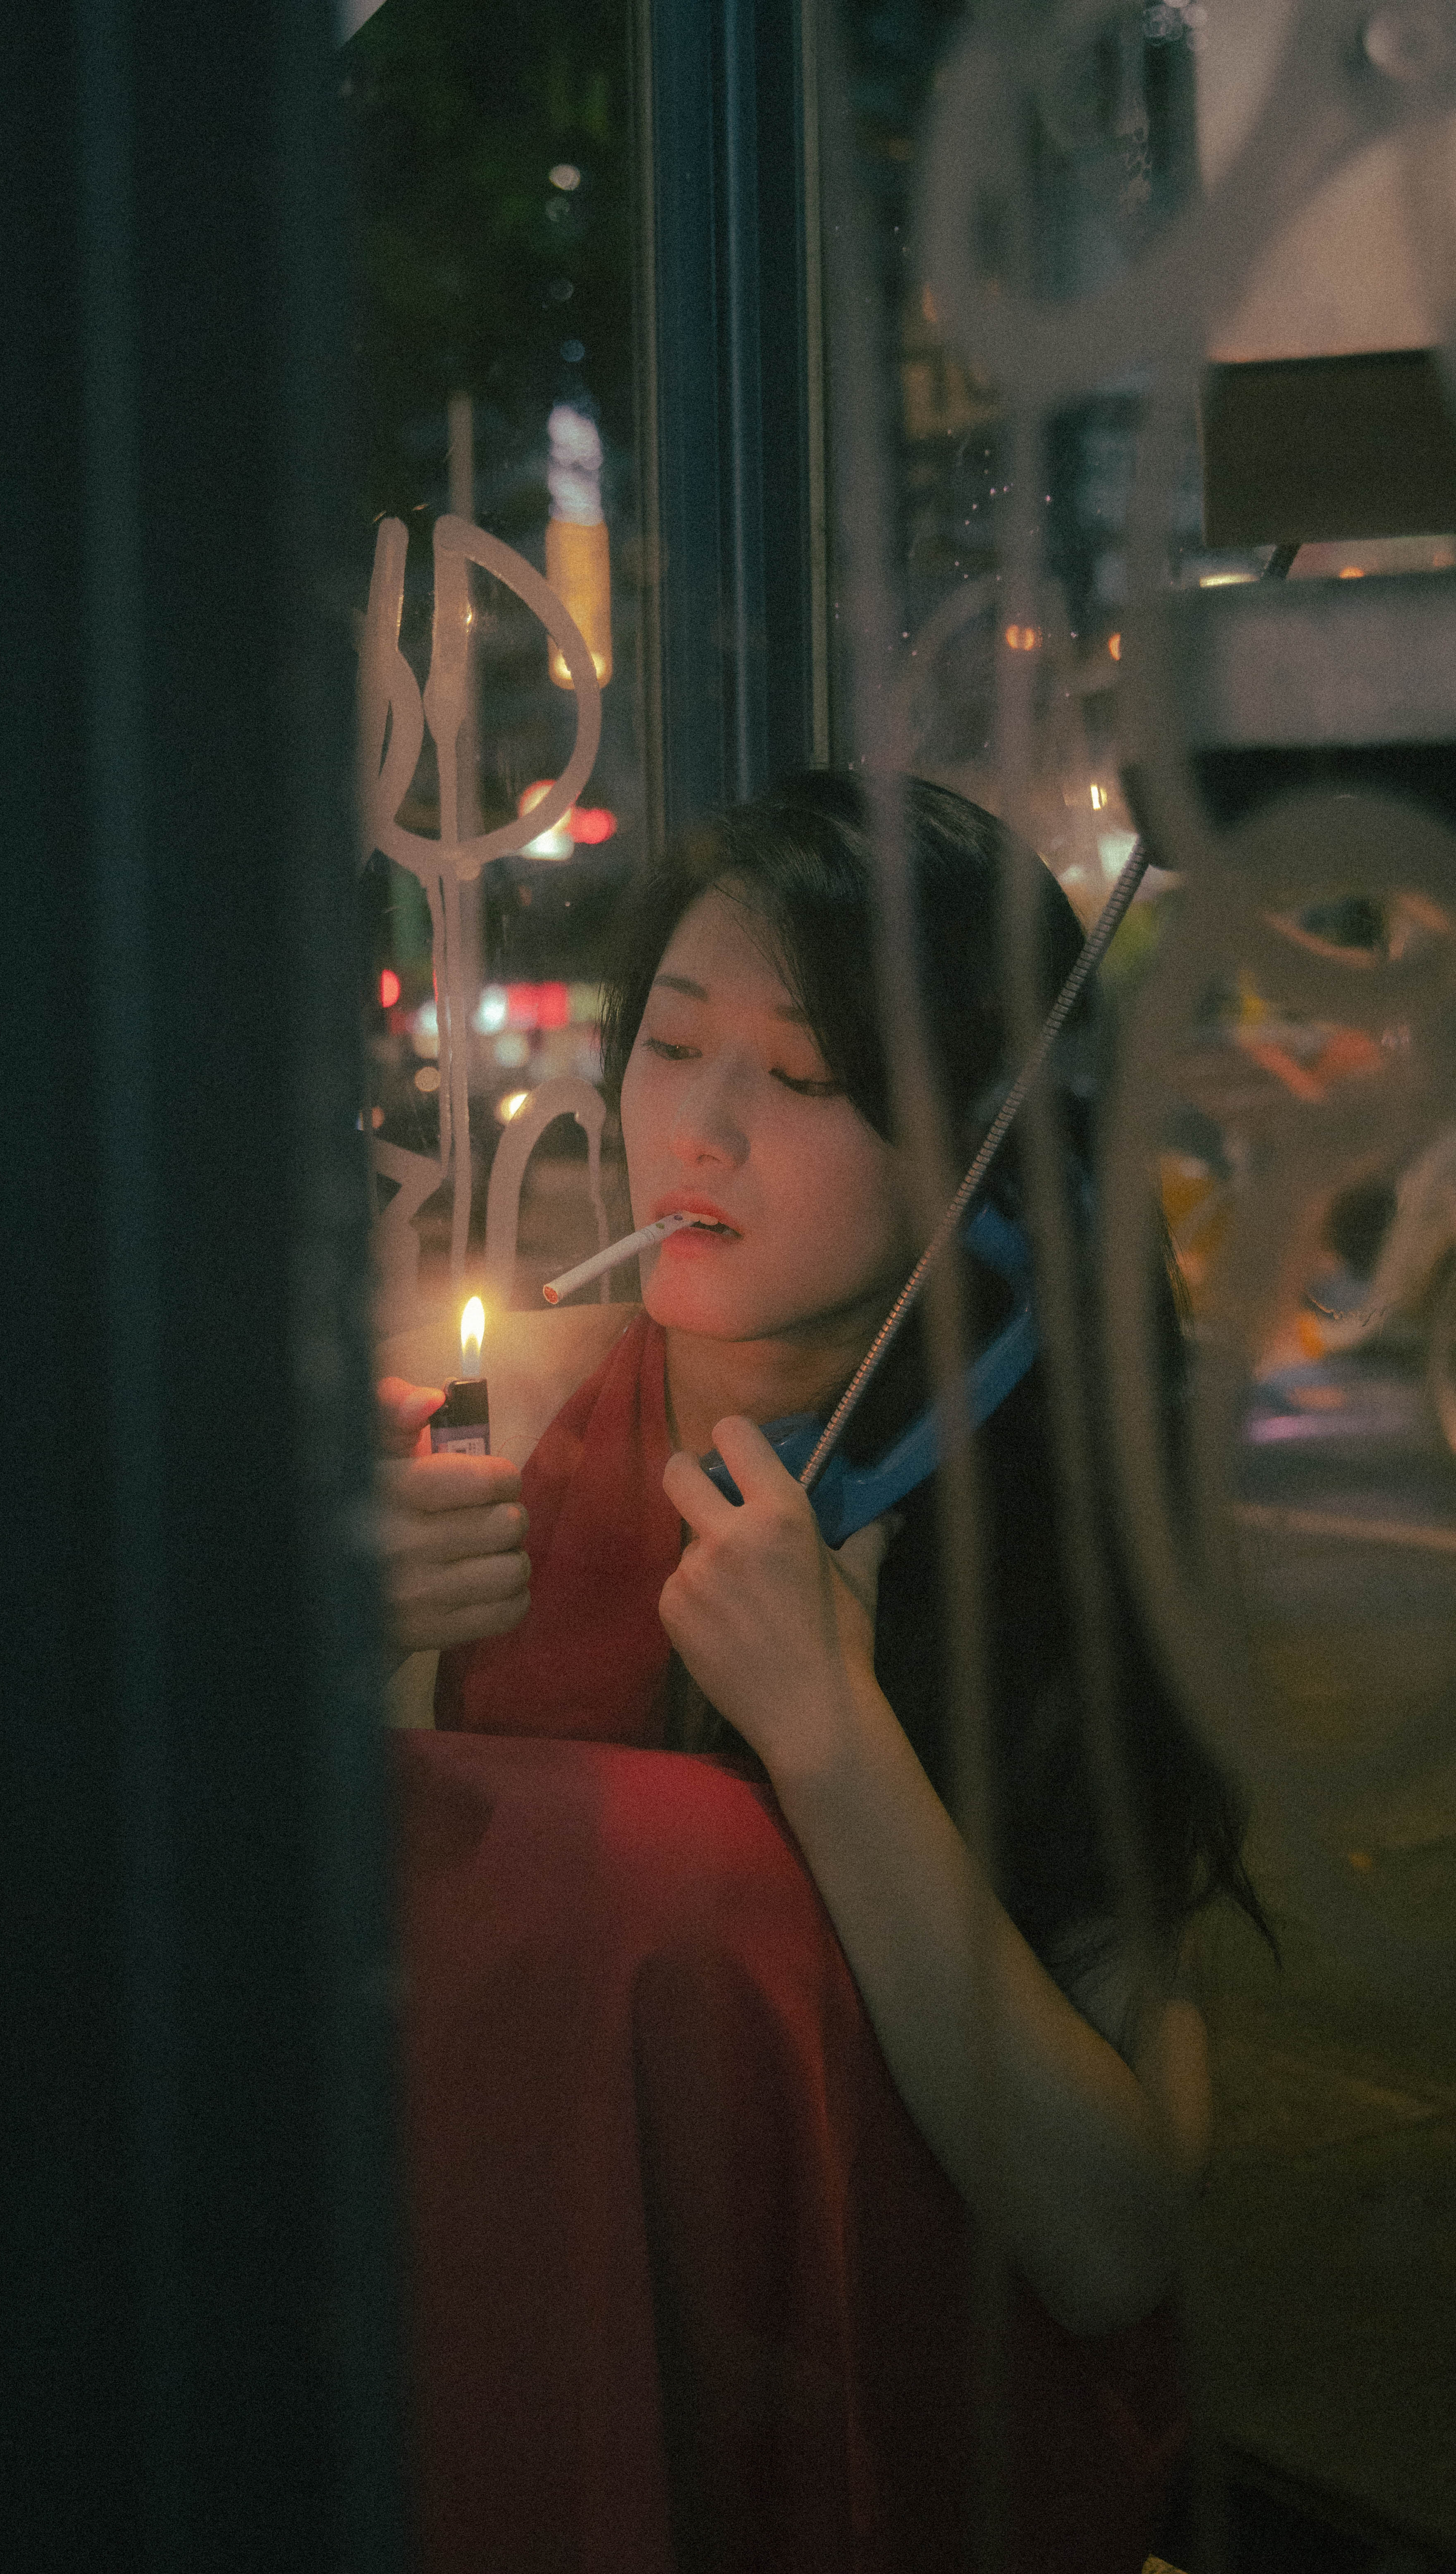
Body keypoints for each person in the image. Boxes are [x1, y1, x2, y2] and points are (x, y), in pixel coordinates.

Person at [377, 773, 1277, 2574]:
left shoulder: (1038, 1529)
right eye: (668, 1046)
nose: (698, 1130)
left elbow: (1111, 2242)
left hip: (868, 2412)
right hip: (519, 2356)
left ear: (979, 1149)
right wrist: (313, 1654)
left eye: (800, 1077)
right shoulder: (485, 1439)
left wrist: (831, 1735)